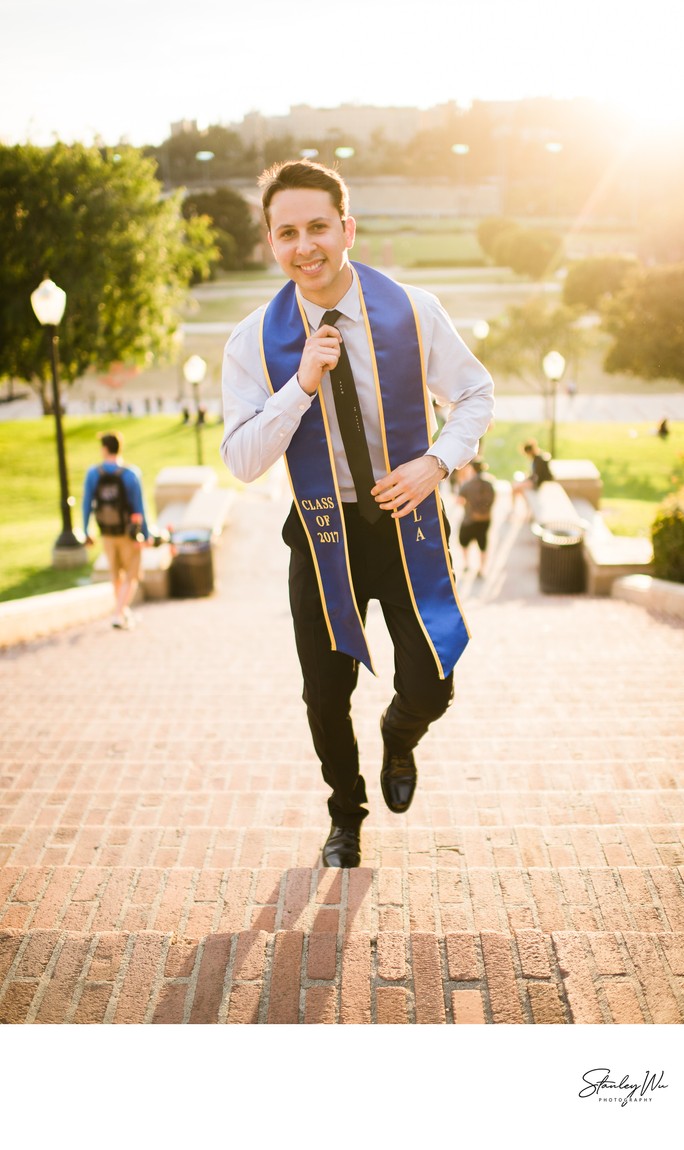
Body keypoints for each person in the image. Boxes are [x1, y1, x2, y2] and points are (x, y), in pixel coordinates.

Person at [220, 159, 494, 868]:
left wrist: (436, 462)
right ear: (269, 242)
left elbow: (475, 394)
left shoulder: (411, 309)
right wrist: (300, 384)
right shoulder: (252, 342)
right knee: (324, 693)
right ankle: (346, 814)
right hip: (319, 534)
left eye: (318, 226)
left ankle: (400, 736)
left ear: (347, 226)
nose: (304, 246)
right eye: (287, 232)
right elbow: (243, 460)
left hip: (405, 522)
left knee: (433, 680)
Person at [82, 431, 149, 630]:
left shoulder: (94, 473)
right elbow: (140, 506)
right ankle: (118, 614)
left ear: (104, 449)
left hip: (107, 532)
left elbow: (87, 503)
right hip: (129, 533)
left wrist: (86, 529)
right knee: (132, 574)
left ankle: (122, 610)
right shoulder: (131, 473)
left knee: (116, 574)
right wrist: (145, 534)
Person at [457, 457, 496, 578]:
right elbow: (494, 499)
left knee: (463, 540)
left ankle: (466, 564)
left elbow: (459, 501)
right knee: (483, 543)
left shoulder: (467, 485)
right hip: (485, 519)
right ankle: (481, 569)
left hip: (470, 519)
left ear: (472, 470)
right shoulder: (490, 483)